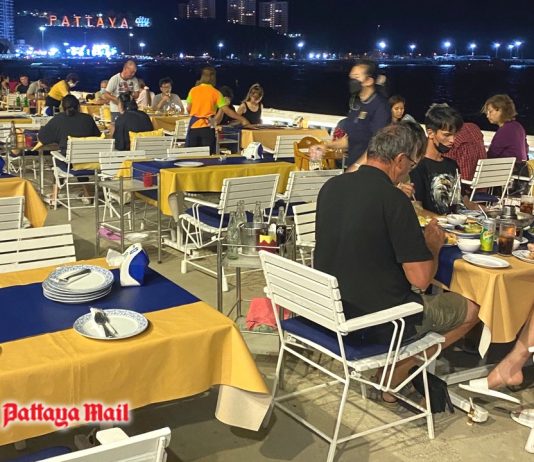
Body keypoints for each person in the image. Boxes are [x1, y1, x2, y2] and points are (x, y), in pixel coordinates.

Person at [314, 122, 479, 401]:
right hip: (377, 321)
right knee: (473, 308)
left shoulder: (332, 186)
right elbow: (421, 280)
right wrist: (433, 245)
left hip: (331, 308)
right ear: (400, 160)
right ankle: (395, 374)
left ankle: (396, 370)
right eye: (411, 165)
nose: (409, 171)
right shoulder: (393, 201)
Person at [326, 59, 390, 169]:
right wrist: (325, 145)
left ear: (369, 81)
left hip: (368, 170)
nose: (352, 81)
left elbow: (377, 146)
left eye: (356, 77)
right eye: (351, 77)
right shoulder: (357, 104)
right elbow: (351, 140)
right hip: (352, 166)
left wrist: (356, 167)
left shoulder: (380, 107)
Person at [38, 95, 101, 203]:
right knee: (78, 157)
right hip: (89, 163)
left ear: (62, 107)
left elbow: (42, 137)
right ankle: (87, 194)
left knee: (59, 158)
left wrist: (58, 138)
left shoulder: (58, 119)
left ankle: (54, 197)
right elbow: (97, 137)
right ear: (78, 106)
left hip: (69, 164)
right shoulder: (88, 119)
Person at [410, 104, 463, 215]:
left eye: (454, 135)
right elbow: (417, 209)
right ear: (430, 133)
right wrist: (442, 220)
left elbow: (460, 202)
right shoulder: (418, 166)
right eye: (447, 135)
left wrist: (488, 210)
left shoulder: (452, 165)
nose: (452, 140)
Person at [185, 66, 250, 153]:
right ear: (213, 78)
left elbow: (189, 109)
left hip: (194, 126)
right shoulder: (216, 93)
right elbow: (227, 110)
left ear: (202, 76)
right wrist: (242, 119)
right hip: (208, 126)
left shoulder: (193, 90)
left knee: (191, 154)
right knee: (207, 155)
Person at [483, 94, 529, 172]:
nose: (487, 115)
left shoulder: (505, 130)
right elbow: (526, 149)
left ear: (501, 110)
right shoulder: (518, 126)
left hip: (509, 172)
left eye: (490, 111)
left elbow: (492, 155)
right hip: (523, 171)